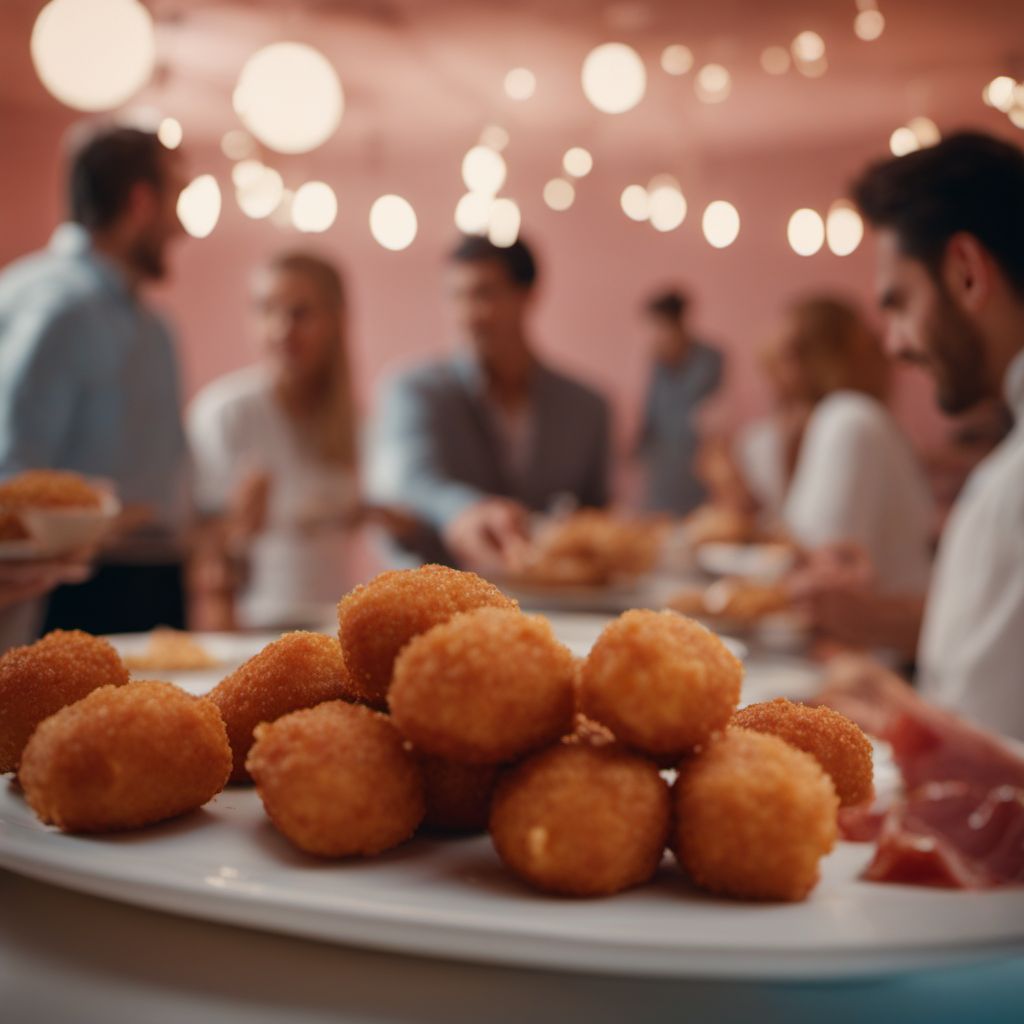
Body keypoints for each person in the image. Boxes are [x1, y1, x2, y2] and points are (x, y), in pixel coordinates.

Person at [805, 131, 1024, 739]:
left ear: (967, 274)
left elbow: (981, 796)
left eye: (898, 304)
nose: (896, 343)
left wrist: (885, 709)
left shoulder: (1011, 488)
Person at [0, 124, 190, 635]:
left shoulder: (151, 325)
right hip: (76, 585)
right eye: (178, 199)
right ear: (141, 201)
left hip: (153, 574)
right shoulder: (59, 307)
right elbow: (13, 471)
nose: (182, 227)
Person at [188, 253, 408, 630]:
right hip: (249, 629)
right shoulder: (224, 413)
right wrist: (236, 531)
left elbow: (392, 522)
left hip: (334, 624)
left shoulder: (356, 422)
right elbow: (197, 556)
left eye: (300, 313)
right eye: (265, 309)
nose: (280, 329)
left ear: (336, 321)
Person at [368, 235, 610, 572]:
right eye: (456, 296)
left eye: (483, 294)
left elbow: (597, 520)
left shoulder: (587, 408)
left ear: (527, 296)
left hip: (560, 611)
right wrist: (463, 511)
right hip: (445, 605)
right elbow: (407, 481)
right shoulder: (413, 390)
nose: (468, 315)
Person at [770, 297, 934, 595]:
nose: (771, 370)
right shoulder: (845, 417)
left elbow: (820, 567)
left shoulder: (847, 419)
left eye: (785, 355)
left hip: (877, 637)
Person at [634, 289, 723, 515]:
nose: (655, 336)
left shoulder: (710, 361)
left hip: (697, 472)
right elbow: (650, 412)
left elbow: (714, 416)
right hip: (661, 471)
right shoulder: (658, 365)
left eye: (660, 327)